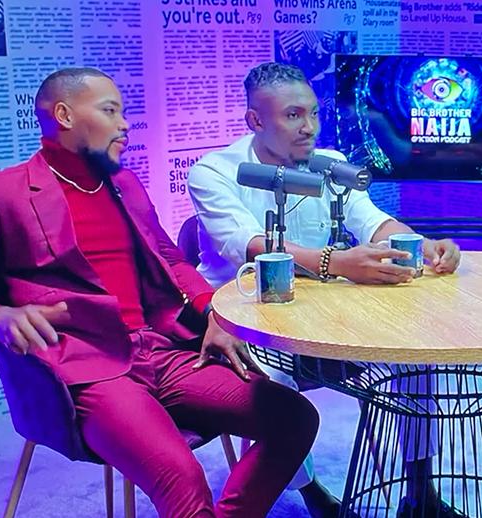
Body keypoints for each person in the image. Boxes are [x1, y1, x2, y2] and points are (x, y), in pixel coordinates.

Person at [0, 67, 319, 518]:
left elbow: (171, 261)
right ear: (64, 115)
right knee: (182, 476)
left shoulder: (125, 184)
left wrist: (213, 313)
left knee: (295, 417)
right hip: (85, 370)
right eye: (110, 111)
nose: (125, 124)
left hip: (160, 352)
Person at [188, 62, 463, 518]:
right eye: (293, 115)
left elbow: (372, 221)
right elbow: (248, 244)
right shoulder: (213, 172)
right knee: (273, 380)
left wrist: (420, 242)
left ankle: (420, 493)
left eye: (313, 113)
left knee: (416, 353)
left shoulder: (330, 163)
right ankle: (314, 494)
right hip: (244, 321)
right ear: (256, 120)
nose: (309, 127)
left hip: (324, 314)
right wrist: (336, 262)